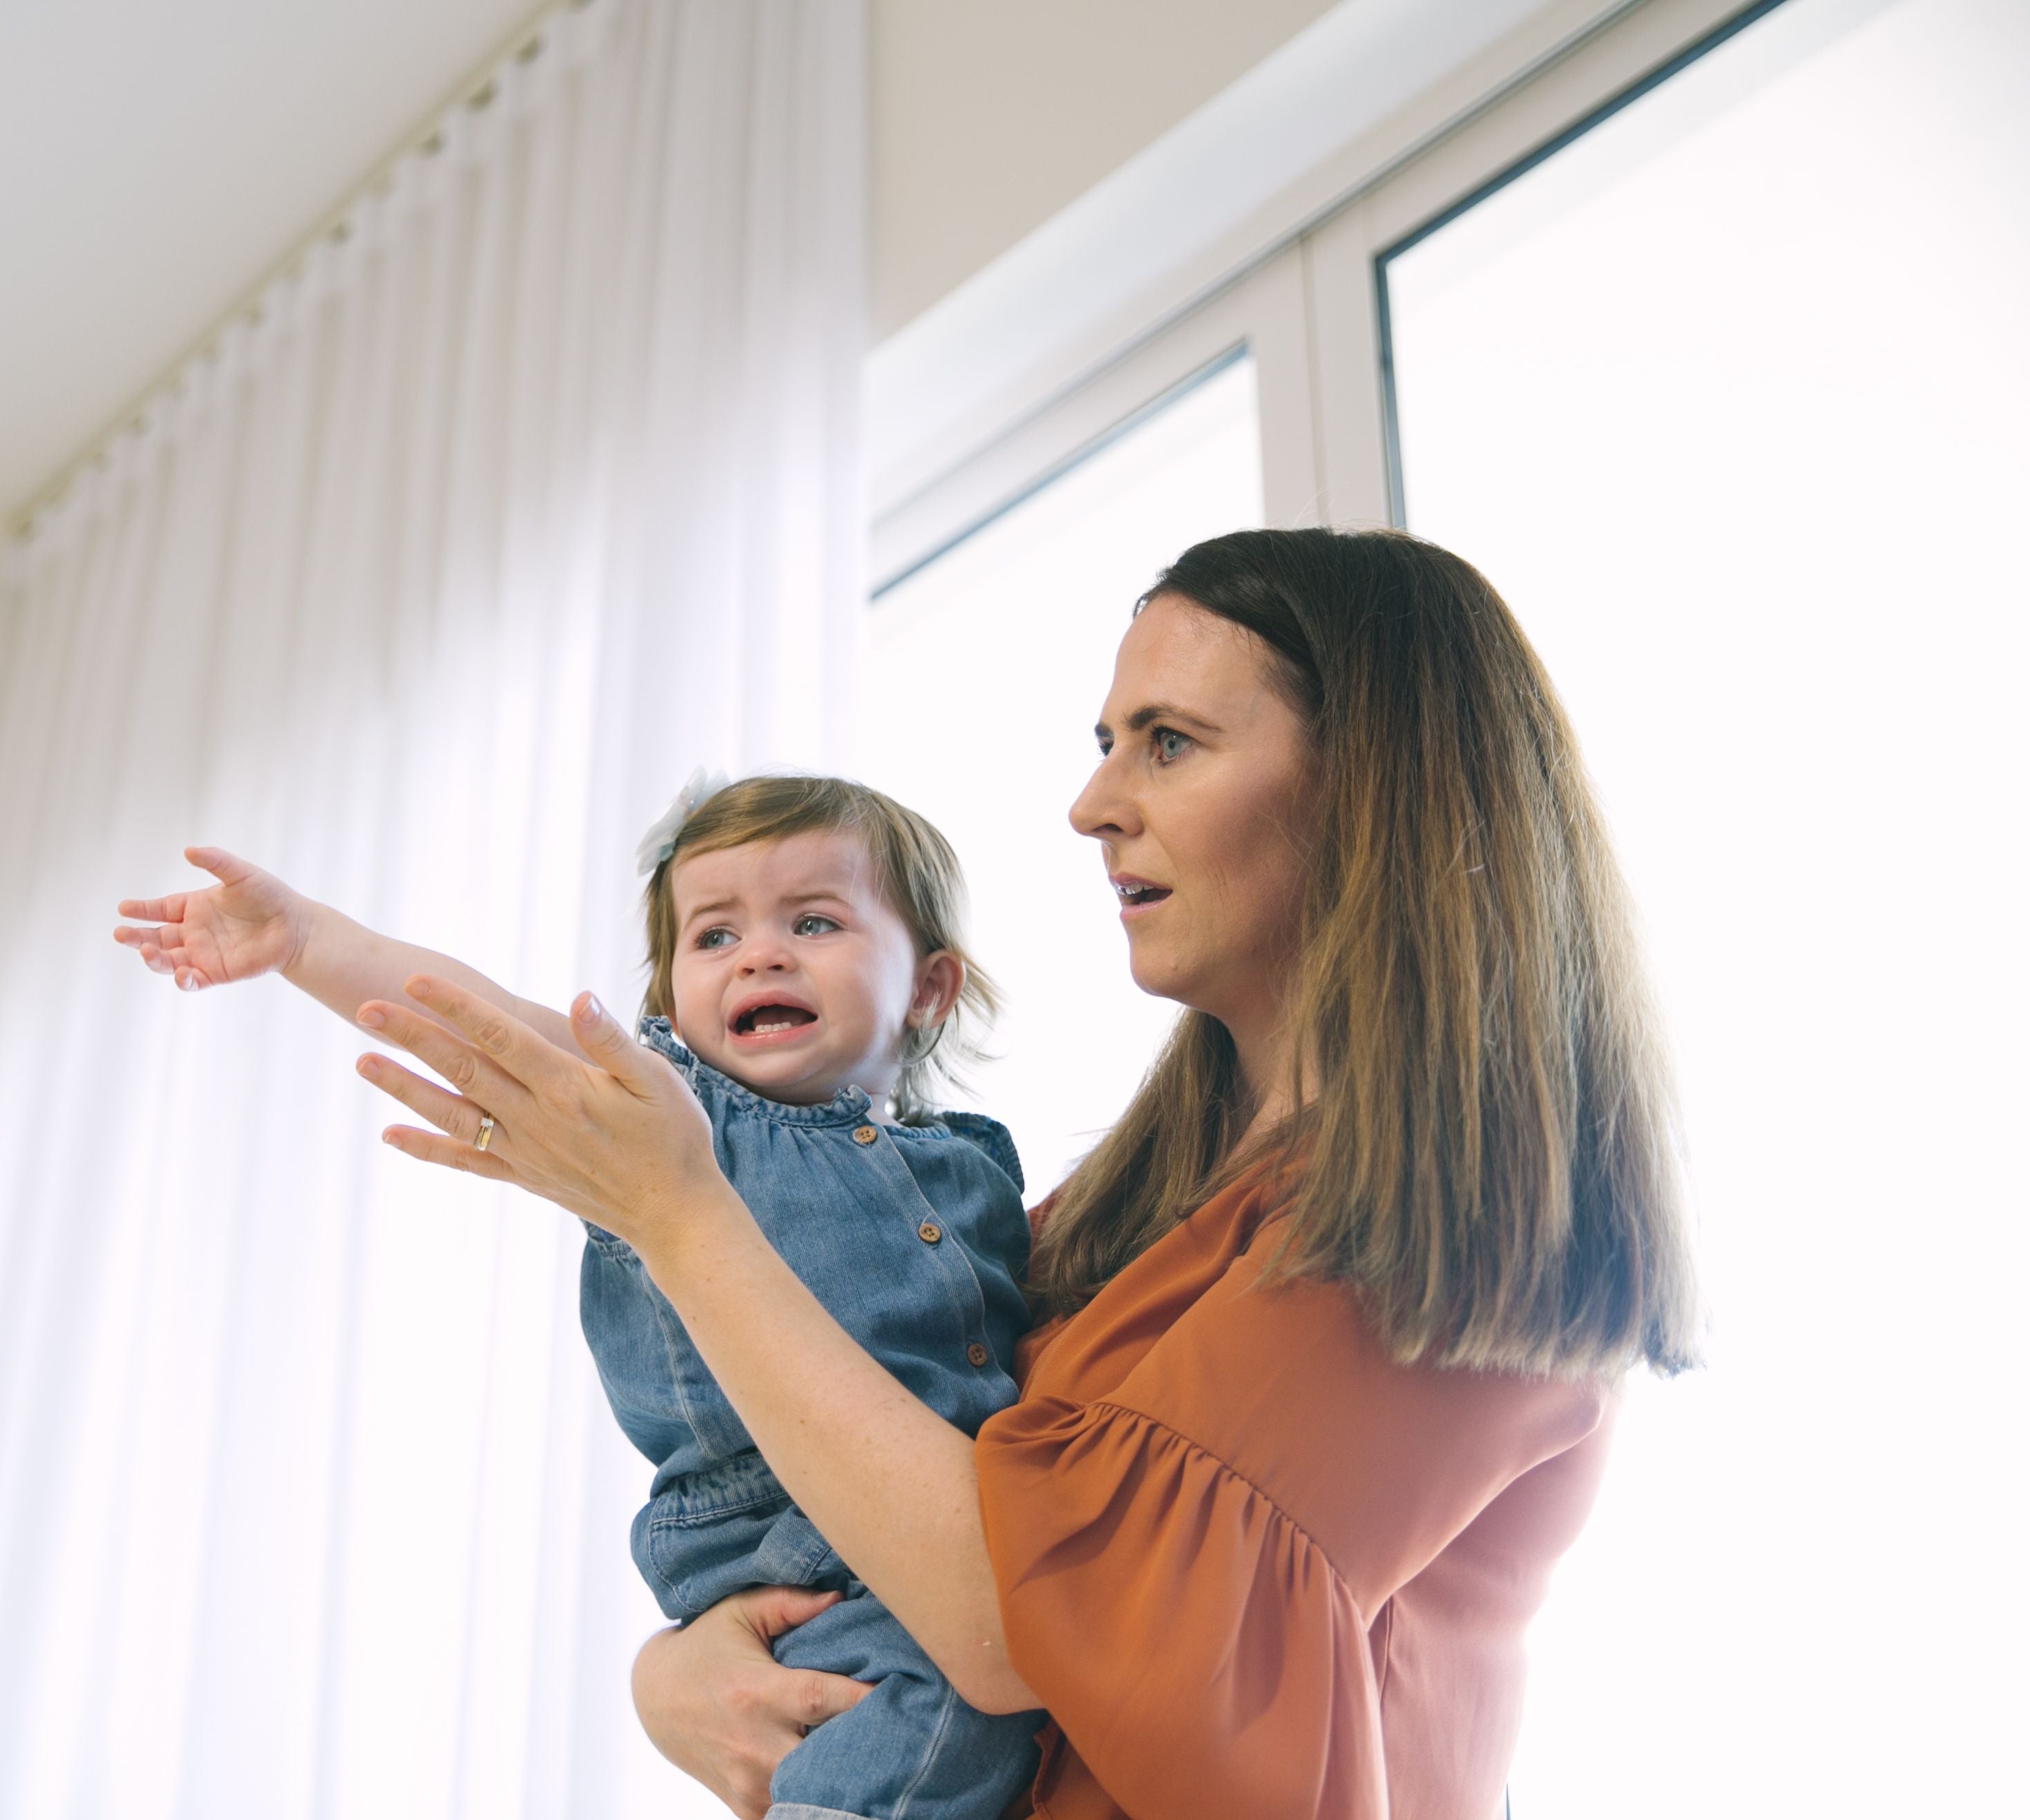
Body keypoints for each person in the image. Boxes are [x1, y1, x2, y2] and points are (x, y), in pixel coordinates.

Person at [345, 527, 1701, 1819]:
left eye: (1168, 743)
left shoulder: (1443, 1240)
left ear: (1373, 786)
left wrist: (680, 1217)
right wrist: (679, 1669)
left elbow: (1013, 1624)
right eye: (1108, 745)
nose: (1094, 806)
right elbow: (887, 1498)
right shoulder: (1119, 1222)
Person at [114, 774, 1049, 1819]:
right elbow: (487, 1025)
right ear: (669, 1004)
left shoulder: (976, 1168)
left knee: (988, 1705)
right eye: (714, 935)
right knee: (944, 1705)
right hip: (777, 1536)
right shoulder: (671, 1122)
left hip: (946, 1525)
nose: (760, 954)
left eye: (814, 922)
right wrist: (305, 938)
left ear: (929, 989)